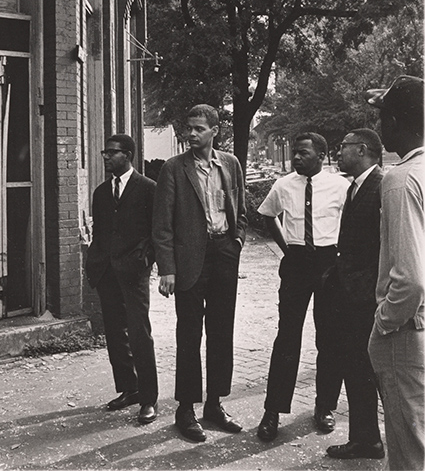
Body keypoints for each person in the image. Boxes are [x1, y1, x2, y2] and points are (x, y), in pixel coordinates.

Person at [152, 104, 247, 442]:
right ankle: (185, 410)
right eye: (188, 128)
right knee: (189, 336)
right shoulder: (174, 169)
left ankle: (215, 405)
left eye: (198, 129)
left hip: (223, 255)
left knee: (222, 333)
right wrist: (168, 269)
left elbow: (241, 207)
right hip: (190, 263)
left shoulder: (231, 164)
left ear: (214, 131)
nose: (191, 134)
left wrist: (236, 242)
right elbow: (162, 225)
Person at [256, 132, 350, 442]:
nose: (296, 158)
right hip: (296, 263)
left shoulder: (341, 186)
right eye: (295, 152)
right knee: (287, 337)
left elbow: (352, 224)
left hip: (329, 265)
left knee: (330, 337)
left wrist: (341, 257)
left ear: (321, 156)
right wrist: (286, 249)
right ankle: (273, 410)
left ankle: (325, 407)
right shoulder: (284, 185)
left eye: (303, 153)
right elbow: (268, 215)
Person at [365, 75, 424, 470]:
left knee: (408, 452)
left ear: (397, 122)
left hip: (406, 332)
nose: (379, 126)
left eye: (383, 116)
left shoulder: (399, 179)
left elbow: (410, 277)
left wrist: (383, 324)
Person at [85, 134, 158, 424]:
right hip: (107, 273)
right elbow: (100, 232)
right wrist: (96, 263)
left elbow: (157, 231)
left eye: (111, 152)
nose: (105, 157)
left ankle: (149, 399)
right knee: (115, 333)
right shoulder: (101, 193)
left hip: (133, 272)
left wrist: (144, 260)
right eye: (104, 152)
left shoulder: (148, 189)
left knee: (140, 333)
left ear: (127, 155)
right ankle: (129, 388)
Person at [324, 129, 385, 460]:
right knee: (355, 367)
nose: (339, 152)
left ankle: (375, 440)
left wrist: (364, 288)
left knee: (366, 369)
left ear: (362, 150)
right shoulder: (358, 186)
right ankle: (366, 439)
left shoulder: (380, 187)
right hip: (351, 295)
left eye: (344, 147)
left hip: (365, 299)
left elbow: (382, 247)